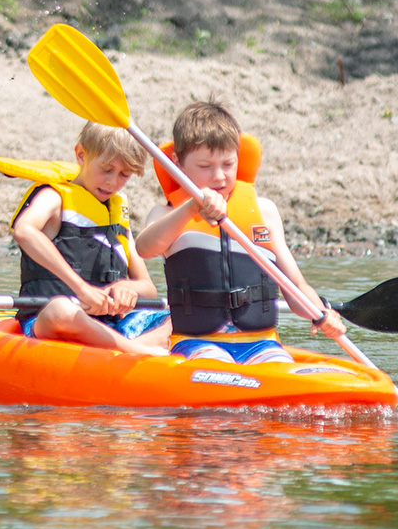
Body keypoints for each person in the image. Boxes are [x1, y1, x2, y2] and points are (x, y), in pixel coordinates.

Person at [133, 101, 347, 364]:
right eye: (205, 166)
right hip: (197, 343)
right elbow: (144, 248)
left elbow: (296, 286)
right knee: (213, 365)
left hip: (262, 342)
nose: (219, 177)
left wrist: (320, 313)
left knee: (277, 373)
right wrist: (191, 208)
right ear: (177, 163)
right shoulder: (166, 214)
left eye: (228, 164)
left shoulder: (264, 212)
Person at [7, 123, 171, 356]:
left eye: (124, 175)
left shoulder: (117, 213)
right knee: (62, 310)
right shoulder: (54, 198)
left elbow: (148, 288)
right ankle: (139, 351)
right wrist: (81, 289)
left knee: (186, 317)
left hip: (107, 323)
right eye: (106, 169)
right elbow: (24, 231)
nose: (112, 182)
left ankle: (129, 349)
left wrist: (127, 287)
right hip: (51, 319)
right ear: (82, 155)